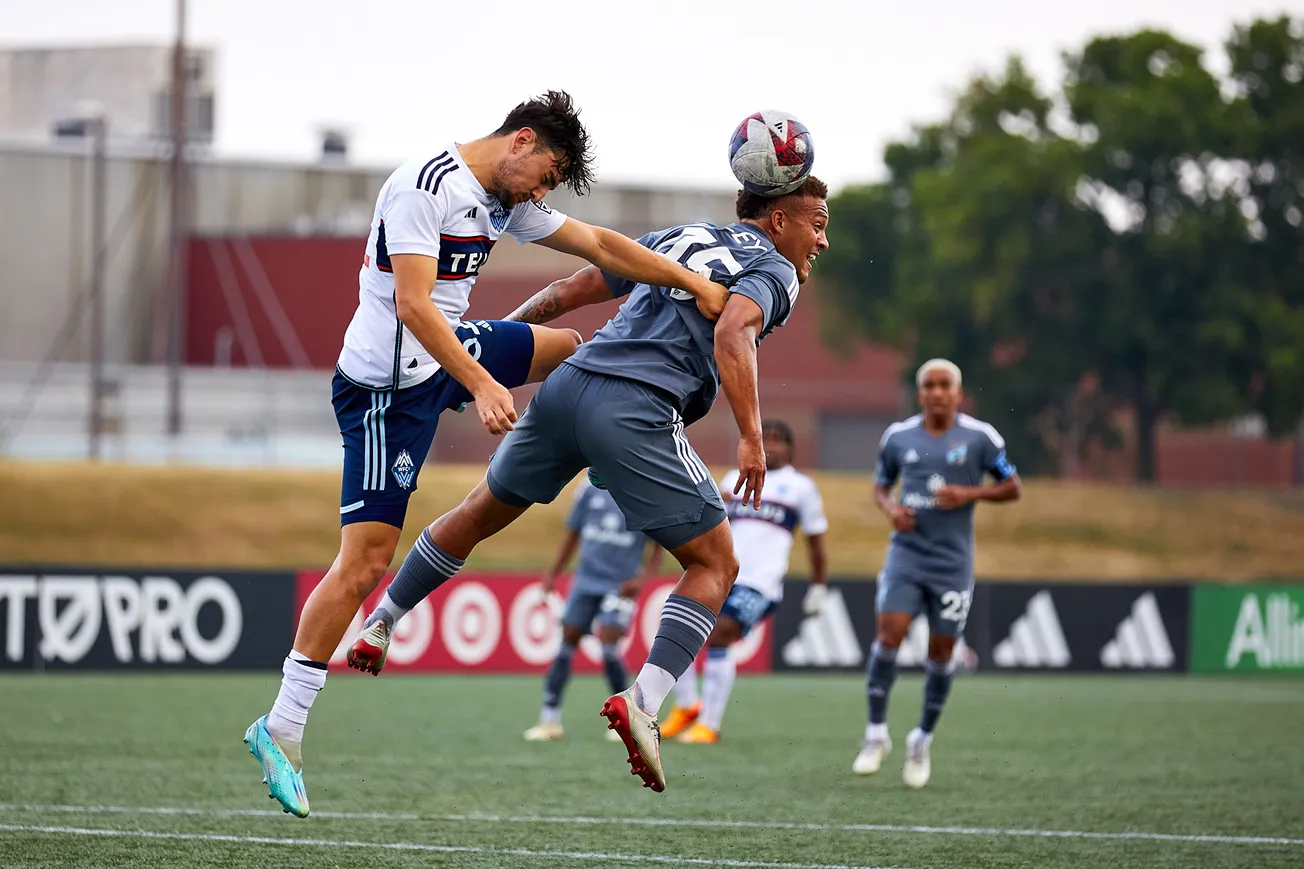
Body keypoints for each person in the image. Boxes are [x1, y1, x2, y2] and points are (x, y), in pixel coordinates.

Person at [245, 90, 729, 818]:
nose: (544, 192)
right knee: (366, 562)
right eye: (547, 173)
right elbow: (411, 305)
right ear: (521, 141)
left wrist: (690, 279)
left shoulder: (504, 200)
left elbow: (600, 246)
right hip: (385, 392)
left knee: (574, 351)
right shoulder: (423, 185)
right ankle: (281, 725)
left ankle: (604, 451)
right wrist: (481, 382)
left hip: (446, 351)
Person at [347, 176, 831, 793]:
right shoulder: (774, 268)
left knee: (475, 514)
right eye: (816, 223)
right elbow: (734, 329)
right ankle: (646, 702)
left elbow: (569, 290)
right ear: (780, 220)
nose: (821, 241)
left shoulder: (679, 236)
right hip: (636, 408)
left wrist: (486, 359)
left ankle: (383, 619)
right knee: (715, 565)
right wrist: (752, 440)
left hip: (568, 386)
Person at [852, 359, 1021, 788]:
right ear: (920, 392)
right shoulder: (898, 437)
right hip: (906, 555)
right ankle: (875, 736)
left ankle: (921, 740)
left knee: (942, 654)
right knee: (888, 636)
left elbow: (1012, 486)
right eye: (929, 385)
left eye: (945, 385)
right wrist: (892, 511)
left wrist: (970, 492)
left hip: (952, 563)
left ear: (958, 392)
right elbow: (879, 486)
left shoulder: (981, 438)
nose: (937, 392)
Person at [661, 419, 828, 744]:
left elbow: (816, 543)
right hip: (723, 572)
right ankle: (686, 708)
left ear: (791, 448)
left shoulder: (801, 488)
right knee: (678, 627)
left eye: (780, 441)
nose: (772, 447)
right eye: (767, 440)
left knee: (721, 633)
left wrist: (818, 586)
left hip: (760, 582)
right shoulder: (733, 478)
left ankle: (710, 723)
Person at [524, 478, 663, 742]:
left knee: (609, 645)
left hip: (619, 585)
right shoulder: (588, 490)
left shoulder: (642, 491)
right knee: (567, 642)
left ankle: (628, 722)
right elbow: (572, 534)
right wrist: (553, 572)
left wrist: (642, 580)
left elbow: (658, 548)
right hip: (585, 580)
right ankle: (549, 721)